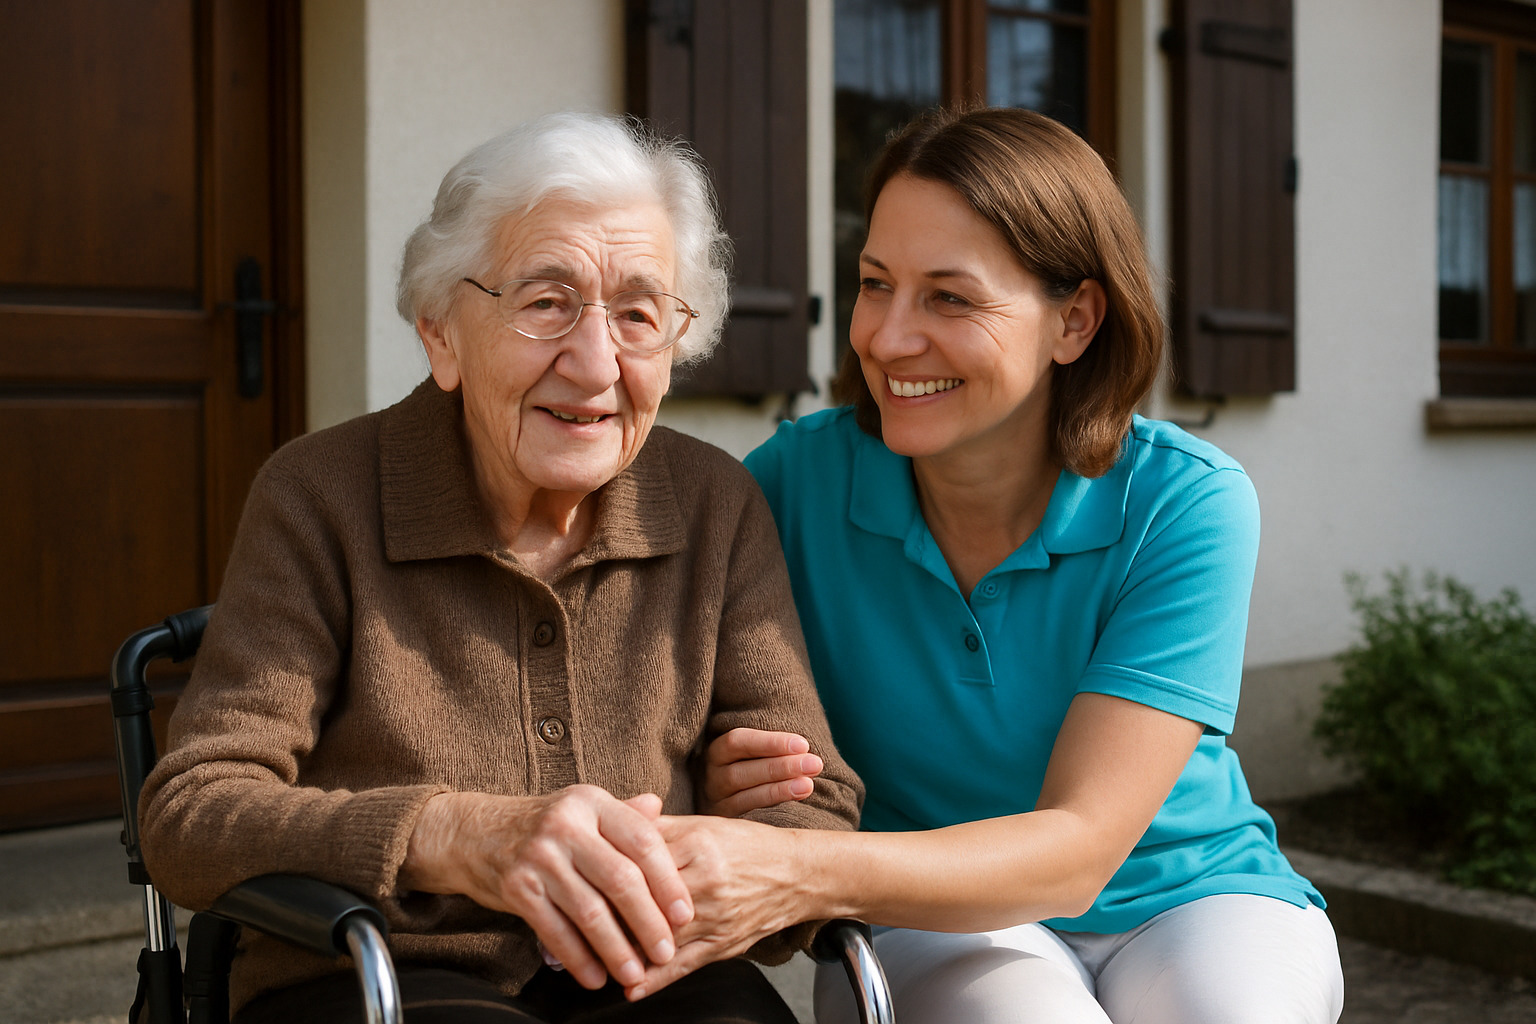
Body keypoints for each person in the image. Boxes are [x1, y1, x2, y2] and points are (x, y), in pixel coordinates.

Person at [137, 112, 862, 1024]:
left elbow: (817, 799)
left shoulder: (713, 501)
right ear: (441, 332)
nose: (596, 364)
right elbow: (190, 814)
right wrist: (454, 834)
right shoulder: (320, 497)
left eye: (639, 314)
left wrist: (723, 847)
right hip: (379, 974)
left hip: (649, 968)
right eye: (546, 303)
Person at [646, 107, 1345, 1024]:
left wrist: (790, 871)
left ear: (1076, 320)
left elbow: (1078, 848)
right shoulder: (788, 485)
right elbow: (686, 722)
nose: (889, 338)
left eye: (950, 297)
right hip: (927, 907)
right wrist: (734, 779)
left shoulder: (1186, 501)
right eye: (874, 283)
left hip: (1191, 894)